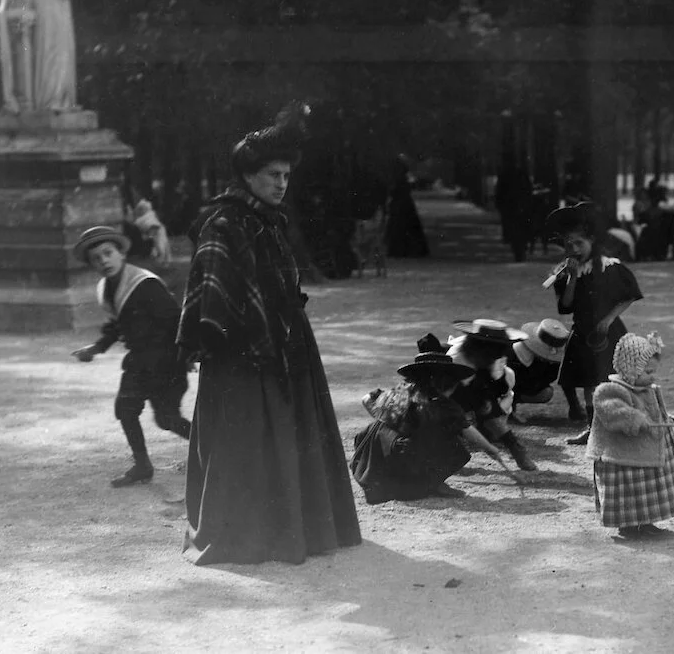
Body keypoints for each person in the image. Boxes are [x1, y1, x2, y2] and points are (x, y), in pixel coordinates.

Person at [177, 109, 361, 565]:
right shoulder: (223, 223)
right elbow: (213, 295)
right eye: (272, 175)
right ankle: (247, 536)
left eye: (286, 176)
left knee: (291, 433)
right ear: (247, 175)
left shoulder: (269, 220)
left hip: (287, 341)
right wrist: (229, 341)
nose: (281, 184)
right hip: (242, 351)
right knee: (247, 439)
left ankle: (299, 529)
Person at [70, 226, 191, 488]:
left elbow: (175, 319)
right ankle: (143, 465)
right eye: (96, 258)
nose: (103, 260)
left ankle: (215, 452)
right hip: (139, 361)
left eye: (108, 253)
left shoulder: (144, 283)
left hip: (166, 361)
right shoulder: (107, 288)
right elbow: (117, 324)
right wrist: (96, 348)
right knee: (125, 409)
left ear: (121, 253)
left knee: (167, 419)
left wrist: (187, 354)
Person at [350, 351, 515, 503]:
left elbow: (366, 399)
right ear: (447, 382)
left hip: (372, 470)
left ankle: (420, 482)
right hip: (401, 473)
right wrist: (490, 448)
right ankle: (429, 484)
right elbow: (467, 430)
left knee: (420, 436)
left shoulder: (396, 393)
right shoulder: (441, 404)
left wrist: (388, 425)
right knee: (454, 445)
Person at [543, 202, 643, 444]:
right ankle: (593, 429)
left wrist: (608, 320)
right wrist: (573, 278)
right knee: (589, 382)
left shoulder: (610, 266)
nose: (574, 249)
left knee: (611, 379)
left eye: (579, 243)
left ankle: (622, 425)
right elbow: (565, 306)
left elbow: (628, 296)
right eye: (569, 244)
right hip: (582, 330)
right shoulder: (564, 273)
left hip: (607, 331)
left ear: (591, 241)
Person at [588, 332, 674, 539]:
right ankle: (628, 525)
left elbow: (651, 408)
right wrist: (634, 419)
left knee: (646, 488)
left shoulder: (646, 388)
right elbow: (613, 412)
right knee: (629, 491)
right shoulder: (610, 391)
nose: (652, 376)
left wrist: (663, 416)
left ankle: (645, 521)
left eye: (653, 371)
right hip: (621, 455)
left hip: (643, 452)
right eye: (647, 371)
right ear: (631, 369)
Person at [447, 319, 539, 471]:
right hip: (452, 395)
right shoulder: (458, 360)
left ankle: (516, 449)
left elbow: (495, 387)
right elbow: (447, 397)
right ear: (479, 347)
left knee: (490, 410)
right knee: (455, 417)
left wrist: (486, 404)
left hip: (475, 387)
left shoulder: (488, 359)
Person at [505, 318, 571, 420]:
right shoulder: (516, 352)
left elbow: (551, 379)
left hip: (526, 387)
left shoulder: (553, 363)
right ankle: (507, 409)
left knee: (546, 393)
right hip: (502, 389)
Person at [385, 154, 429, 257]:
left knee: (400, 224)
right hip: (402, 199)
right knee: (404, 224)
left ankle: (400, 249)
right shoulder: (399, 163)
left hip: (400, 200)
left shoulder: (396, 163)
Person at [494, 161, 534, 262]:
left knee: (514, 232)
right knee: (521, 231)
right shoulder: (522, 176)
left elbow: (499, 194)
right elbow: (528, 191)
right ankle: (521, 248)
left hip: (511, 209)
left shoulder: (505, 176)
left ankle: (518, 250)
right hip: (521, 209)